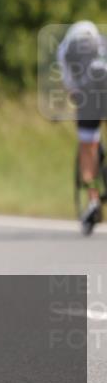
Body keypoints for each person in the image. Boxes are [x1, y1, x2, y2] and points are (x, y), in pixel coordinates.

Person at [57, 20, 107, 231]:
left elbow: (69, 84)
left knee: (87, 148)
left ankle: (93, 200)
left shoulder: (65, 49)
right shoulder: (102, 42)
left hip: (88, 98)